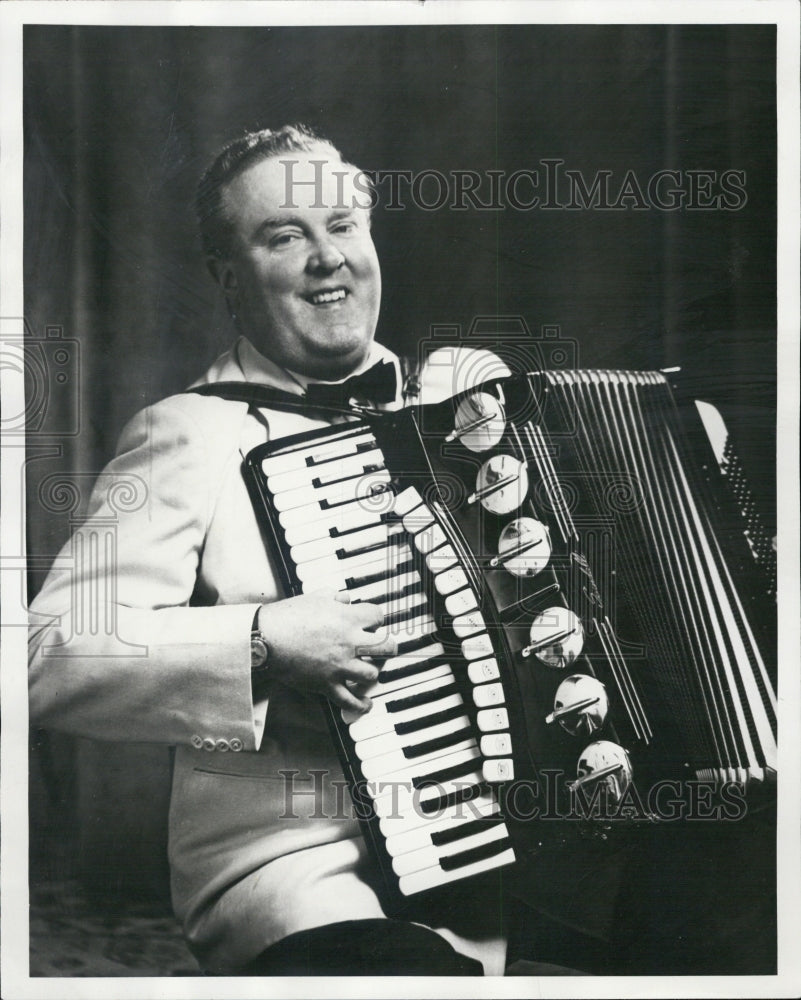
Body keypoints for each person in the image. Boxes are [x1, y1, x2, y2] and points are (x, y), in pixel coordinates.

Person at [28, 124, 519, 976]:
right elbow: (43, 656)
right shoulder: (188, 434)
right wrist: (260, 642)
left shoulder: (464, 411)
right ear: (228, 276)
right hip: (304, 872)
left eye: (342, 227)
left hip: (514, 854)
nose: (326, 257)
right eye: (284, 235)